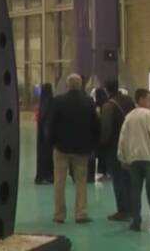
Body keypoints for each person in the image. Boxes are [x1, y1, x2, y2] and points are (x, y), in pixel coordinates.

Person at [46, 74, 99, 224]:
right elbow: (95, 125)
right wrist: (93, 145)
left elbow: (51, 124)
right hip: (82, 149)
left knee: (59, 182)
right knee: (81, 182)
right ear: (81, 85)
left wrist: (52, 143)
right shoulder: (89, 102)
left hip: (61, 148)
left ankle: (59, 215)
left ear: (67, 85)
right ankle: (81, 214)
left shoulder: (58, 101)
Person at [118, 88, 150, 233]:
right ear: (140, 100)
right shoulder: (148, 115)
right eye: (149, 99)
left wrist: (122, 157)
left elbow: (122, 139)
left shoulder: (129, 116)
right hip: (149, 158)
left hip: (134, 160)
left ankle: (136, 222)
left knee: (135, 191)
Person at [97, 80, 136, 221]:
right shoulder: (129, 100)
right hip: (130, 144)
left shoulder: (108, 106)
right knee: (129, 178)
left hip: (115, 147)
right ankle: (132, 208)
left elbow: (106, 129)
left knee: (118, 179)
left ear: (106, 90)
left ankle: (123, 210)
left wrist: (101, 144)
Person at [34, 82, 55, 184]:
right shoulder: (51, 102)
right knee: (49, 155)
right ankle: (49, 175)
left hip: (42, 136)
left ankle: (41, 175)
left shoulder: (42, 103)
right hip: (49, 135)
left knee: (42, 155)